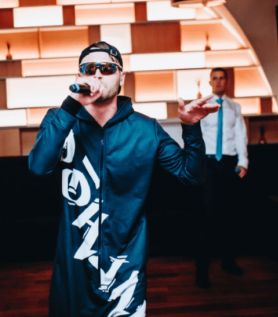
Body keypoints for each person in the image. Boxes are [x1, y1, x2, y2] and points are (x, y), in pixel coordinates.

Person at [29, 41, 219, 317]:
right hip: (73, 267)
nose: (97, 74)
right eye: (89, 68)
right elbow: (38, 166)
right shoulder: (60, 119)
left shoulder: (146, 129)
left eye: (107, 68)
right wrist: (71, 107)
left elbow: (192, 176)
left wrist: (190, 128)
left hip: (125, 269)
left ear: (121, 77)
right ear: (79, 76)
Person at [195, 67, 248, 289]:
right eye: (214, 78)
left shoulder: (235, 107)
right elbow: (195, 135)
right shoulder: (202, 106)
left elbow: (240, 135)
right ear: (210, 82)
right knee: (207, 216)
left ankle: (228, 262)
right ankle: (201, 270)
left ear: (226, 82)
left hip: (228, 163)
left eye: (221, 78)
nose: (218, 81)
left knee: (229, 214)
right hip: (208, 164)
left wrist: (243, 162)